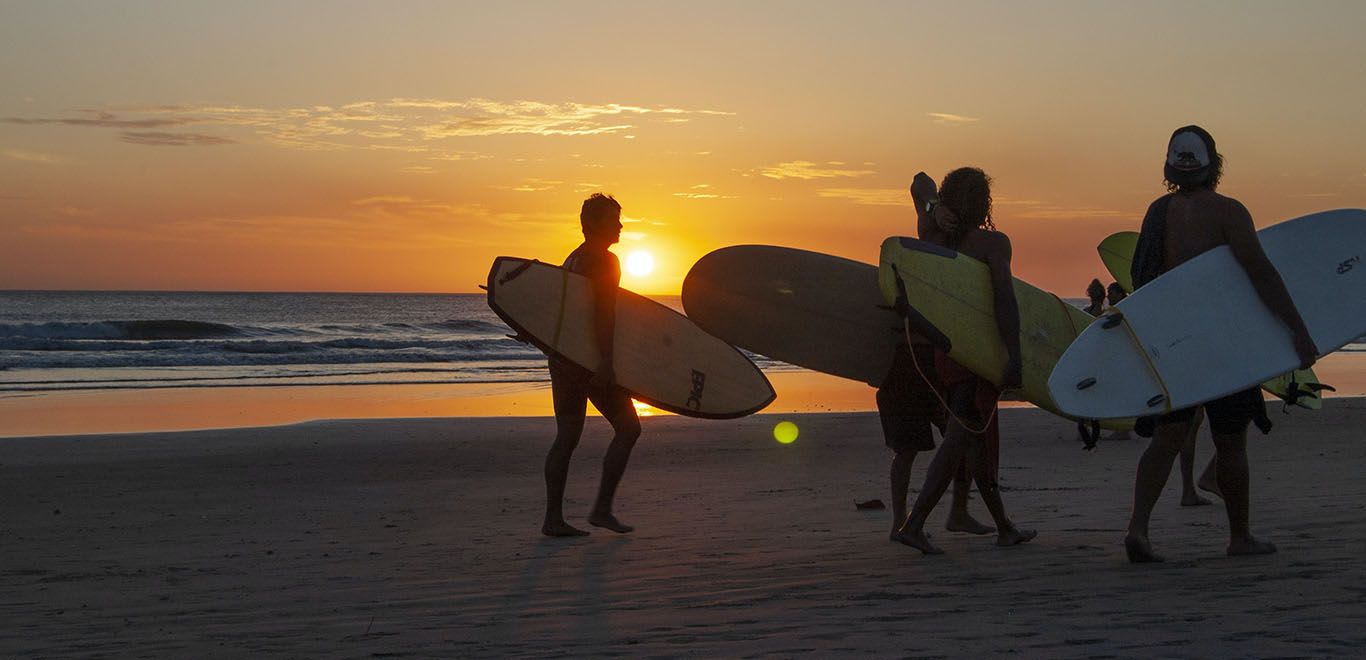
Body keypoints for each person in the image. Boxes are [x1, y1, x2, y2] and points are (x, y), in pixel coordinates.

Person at [1123, 126, 1318, 562]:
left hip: (1176, 342)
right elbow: (1260, 272)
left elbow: (1144, 280)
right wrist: (1297, 330)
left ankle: (1138, 528)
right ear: (1215, 163)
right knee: (1230, 441)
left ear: (1170, 167)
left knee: (1169, 437)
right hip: (1223, 342)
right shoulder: (1228, 212)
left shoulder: (1158, 213)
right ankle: (1239, 537)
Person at [891, 167, 1036, 554]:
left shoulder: (930, 232)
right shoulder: (992, 244)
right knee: (960, 439)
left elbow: (918, 180)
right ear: (984, 203)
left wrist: (933, 206)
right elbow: (1005, 300)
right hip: (978, 356)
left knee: (978, 443)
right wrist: (1014, 354)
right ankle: (914, 524)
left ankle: (1005, 526)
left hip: (945, 351)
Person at [542, 193, 643, 537]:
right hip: (587, 362)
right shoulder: (605, 261)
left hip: (563, 360)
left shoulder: (573, 258)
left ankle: (552, 519)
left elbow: (559, 309)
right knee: (629, 428)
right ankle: (601, 509)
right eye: (614, 219)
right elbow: (603, 314)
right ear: (595, 223)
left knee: (567, 437)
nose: (620, 225)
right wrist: (606, 362)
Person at [876, 340, 994, 539]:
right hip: (903, 379)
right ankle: (900, 523)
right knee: (906, 451)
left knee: (963, 440)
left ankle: (959, 512)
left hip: (939, 381)